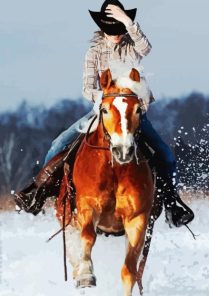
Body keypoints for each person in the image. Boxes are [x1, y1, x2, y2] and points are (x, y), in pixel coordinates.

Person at [15, 0, 194, 227]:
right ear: (102, 28)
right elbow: (87, 87)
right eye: (112, 29)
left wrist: (128, 21)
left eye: (119, 28)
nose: (116, 34)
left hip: (132, 116)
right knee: (58, 144)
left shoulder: (131, 46)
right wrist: (104, 101)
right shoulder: (93, 52)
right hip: (102, 114)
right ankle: (37, 194)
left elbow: (146, 48)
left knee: (165, 154)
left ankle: (172, 204)